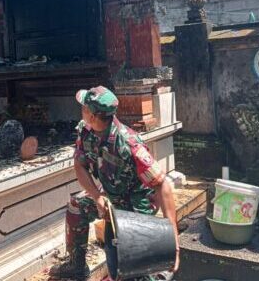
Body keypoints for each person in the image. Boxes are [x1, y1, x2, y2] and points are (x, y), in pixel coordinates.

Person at [49, 86, 179, 281]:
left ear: (92, 115)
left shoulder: (129, 144)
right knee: (77, 207)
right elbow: (79, 165)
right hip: (109, 197)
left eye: (84, 107)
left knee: (132, 268)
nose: (81, 110)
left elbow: (163, 185)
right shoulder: (86, 131)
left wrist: (172, 239)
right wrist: (96, 196)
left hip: (135, 205)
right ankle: (76, 266)